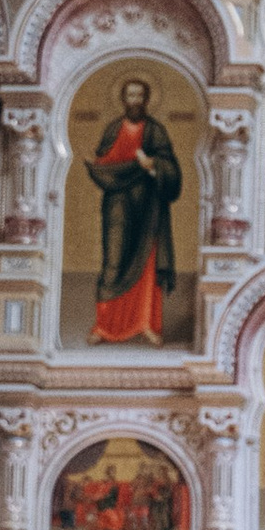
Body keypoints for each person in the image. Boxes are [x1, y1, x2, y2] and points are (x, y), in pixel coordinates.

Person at [85, 77, 183, 345]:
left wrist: (153, 165)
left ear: (147, 99)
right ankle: (104, 326)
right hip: (117, 208)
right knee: (113, 262)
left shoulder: (155, 131)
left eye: (140, 95)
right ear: (123, 99)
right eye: (130, 95)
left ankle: (146, 324)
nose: (135, 100)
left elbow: (171, 169)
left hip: (149, 208)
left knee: (147, 265)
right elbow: (103, 162)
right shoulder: (113, 129)